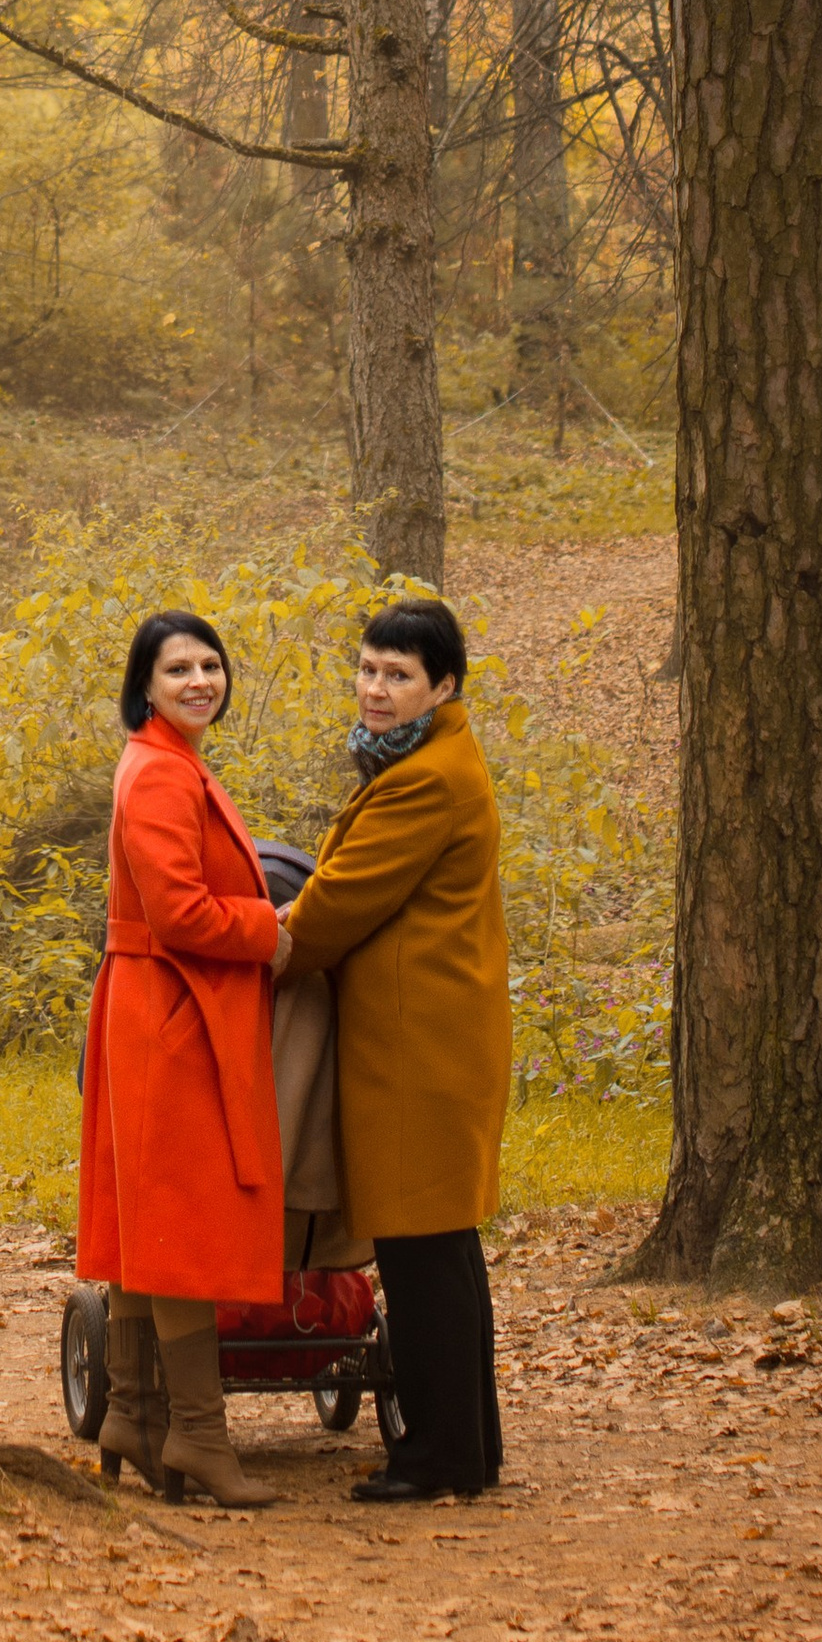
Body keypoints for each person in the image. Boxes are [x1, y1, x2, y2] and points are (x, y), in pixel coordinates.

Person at [278, 597, 511, 1505]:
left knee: (422, 1261)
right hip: (432, 1036)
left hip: (417, 1049)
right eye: (369, 669)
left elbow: (339, 903)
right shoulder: (429, 755)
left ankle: (439, 1459)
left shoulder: (426, 777)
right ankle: (469, 1448)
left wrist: (261, 937)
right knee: (442, 1254)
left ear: (442, 685)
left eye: (398, 675)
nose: (376, 689)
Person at [75, 608, 292, 1508]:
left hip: (156, 1006)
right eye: (179, 670)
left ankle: (131, 1412)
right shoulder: (160, 772)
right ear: (146, 684)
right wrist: (272, 930)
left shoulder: (169, 761)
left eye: (212, 665)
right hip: (171, 1011)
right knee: (182, 1220)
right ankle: (199, 1436)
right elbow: (181, 913)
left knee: (145, 1214)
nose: (201, 680)